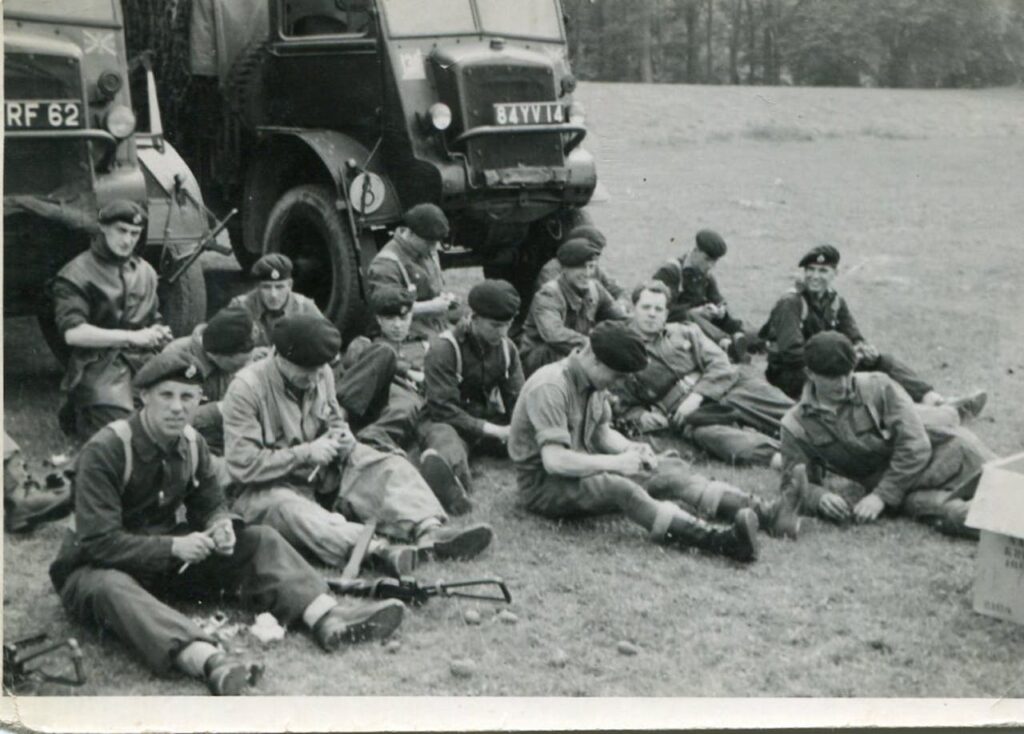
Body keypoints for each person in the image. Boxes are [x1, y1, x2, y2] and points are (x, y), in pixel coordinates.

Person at [48, 350, 405, 696]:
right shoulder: (107, 449)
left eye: (188, 397)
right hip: (93, 567)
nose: (177, 407)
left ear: (199, 399)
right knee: (111, 587)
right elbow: (100, 542)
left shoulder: (192, 443)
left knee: (258, 539)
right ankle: (208, 661)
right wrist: (174, 547)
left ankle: (327, 617)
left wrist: (220, 524)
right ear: (143, 397)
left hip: (161, 562)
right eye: (166, 395)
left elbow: (211, 503)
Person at [221, 313, 493, 572]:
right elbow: (243, 465)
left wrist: (341, 435)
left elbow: (333, 417)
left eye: (320, 371)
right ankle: (378, 552)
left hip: (323, 475)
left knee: (388, 464)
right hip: (267, 488)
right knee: (290, 510)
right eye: (308, 372)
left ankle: (430, 531)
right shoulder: (246, 389)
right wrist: (306, 453)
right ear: (280, 358)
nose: (316, 378)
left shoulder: (321, 371)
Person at [509, 322, 773, 563]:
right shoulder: (551, 386)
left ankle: (765, 513)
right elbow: (554, 461)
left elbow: (601, 433)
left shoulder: (592, 383)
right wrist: (618, 464)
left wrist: (630, 449)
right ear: (596, 360)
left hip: (581, 468)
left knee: (666, 467)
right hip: (543, 486)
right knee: (618, 487)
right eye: (618, 375)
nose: (619, 383)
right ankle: (723, 543)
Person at [780, 331, 997, 538]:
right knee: (963, 517)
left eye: (847, 373)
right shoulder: (796, 425)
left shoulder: (878, 386)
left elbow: (916, 445)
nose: (844, 384)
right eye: (833, 377)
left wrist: (880, 496)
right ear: (810, 374)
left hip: (949, 456)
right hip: (906, 491)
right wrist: (820, 498)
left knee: (1012, 489)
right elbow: (794, 483)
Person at [759, 244, 987, 419]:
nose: (815, 276)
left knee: (882, 362)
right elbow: (791, 354)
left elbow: (853, 335)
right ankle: (924, 416)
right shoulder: (792, 303)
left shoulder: (835, 301)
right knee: (862, 385)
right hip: (793, 374)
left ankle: (937, 402)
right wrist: (843, 362)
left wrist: (863, 349)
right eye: (810, 270)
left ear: (834, 274)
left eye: (822, 271)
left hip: (825, 367)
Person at [613, 281, 794, 469]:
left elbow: (720, 362)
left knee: (786, 411)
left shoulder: (685, 331)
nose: (652, 314)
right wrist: (641, 416)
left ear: (666, 314)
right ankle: (787, 459)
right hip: (691, 415)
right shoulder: (622, 352)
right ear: (634, 309)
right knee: (718, 438)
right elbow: (621, 406)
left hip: (728, 387)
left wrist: (698, 395)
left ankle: (818, 434)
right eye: (646, 307)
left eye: (658, 309)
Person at [53, 200, 173, 441]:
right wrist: (131, 337)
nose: (128, 240)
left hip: (144, 361)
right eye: (121, 231)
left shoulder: (146, 272)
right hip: (100, 367)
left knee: (177, 413)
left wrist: (158, 331)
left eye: (135, 233)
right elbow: (72, 333)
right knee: (126, 433)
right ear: (103, 228)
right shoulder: (76, 273)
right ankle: (80, 414)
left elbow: (152, 317)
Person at [419, 280, 525, 515]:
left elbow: (517, 400)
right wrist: (493, 430)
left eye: (508, 325)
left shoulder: (508, 349)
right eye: (495, 325)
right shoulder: (444, 349)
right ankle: (452, 489)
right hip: (446, 420)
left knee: (533, 434)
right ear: (473, 318)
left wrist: (522, 428)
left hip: (484, 418)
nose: (503, 332)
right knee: (446, 442)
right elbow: (442, 409)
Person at [155, 305, 261, 455]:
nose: (245, 368)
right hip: (188, 449)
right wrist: (217, 410)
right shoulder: (176, 360)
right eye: (238, 365)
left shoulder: (235, 349)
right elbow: (161, 419)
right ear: (215, 355)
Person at [519, 238, 628, 376]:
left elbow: (621, 319)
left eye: (590, 266)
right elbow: (554, 335)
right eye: (579, 267)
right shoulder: (549, 294)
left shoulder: (595, 289)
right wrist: (595, 344)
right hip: (539, 361)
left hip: (576, 353)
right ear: (565, 268)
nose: (586, 273)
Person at [339, 286, 428, 451]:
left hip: (413, 400)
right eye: (390, 319)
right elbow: (354, 370)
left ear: (411, 317)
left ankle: (366, 445)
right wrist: (406, 370)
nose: (397, 325)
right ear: (379, 319)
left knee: (407, 407)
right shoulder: (367, 344)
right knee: (404, 405)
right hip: (378, 395)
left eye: (403, 318)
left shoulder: (423, 345)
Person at [653, 229, 756, 363]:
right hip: (677, 326)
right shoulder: (670, 272)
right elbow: (660, 310)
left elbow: (718, 299)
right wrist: (695, 312)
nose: (710, 265)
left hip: (704, 326)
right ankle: (727, 344)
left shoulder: (706, 276)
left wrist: (719, 310)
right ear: (695, 251)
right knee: (690, 316)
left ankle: (749, 339)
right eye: (707, 260)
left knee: (741, 328)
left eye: (714, 262)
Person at [366, 203, 459, 342]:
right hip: (407, 334)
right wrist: (431, 307)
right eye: (429, 242)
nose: (434, 248)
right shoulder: (386, 263)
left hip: (435, 326)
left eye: (436, 242)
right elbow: (385, 308)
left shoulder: (427, 251)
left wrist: (446, 300)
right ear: (410, 233)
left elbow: (433, 288)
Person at [228, 253, 323, 348]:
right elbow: (222, 349)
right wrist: (248, 353)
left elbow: (327, 346)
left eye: (279, 287)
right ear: (257, 287)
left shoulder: (304, 307)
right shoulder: (240, 307)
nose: (273, 295)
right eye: (266, 287)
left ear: (290, 285)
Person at [534, 224, 627, 306]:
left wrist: (622, 303)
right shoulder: (552, 269)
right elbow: (554, 300)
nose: (595, 258)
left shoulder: (592, 268)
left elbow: (615, 290)